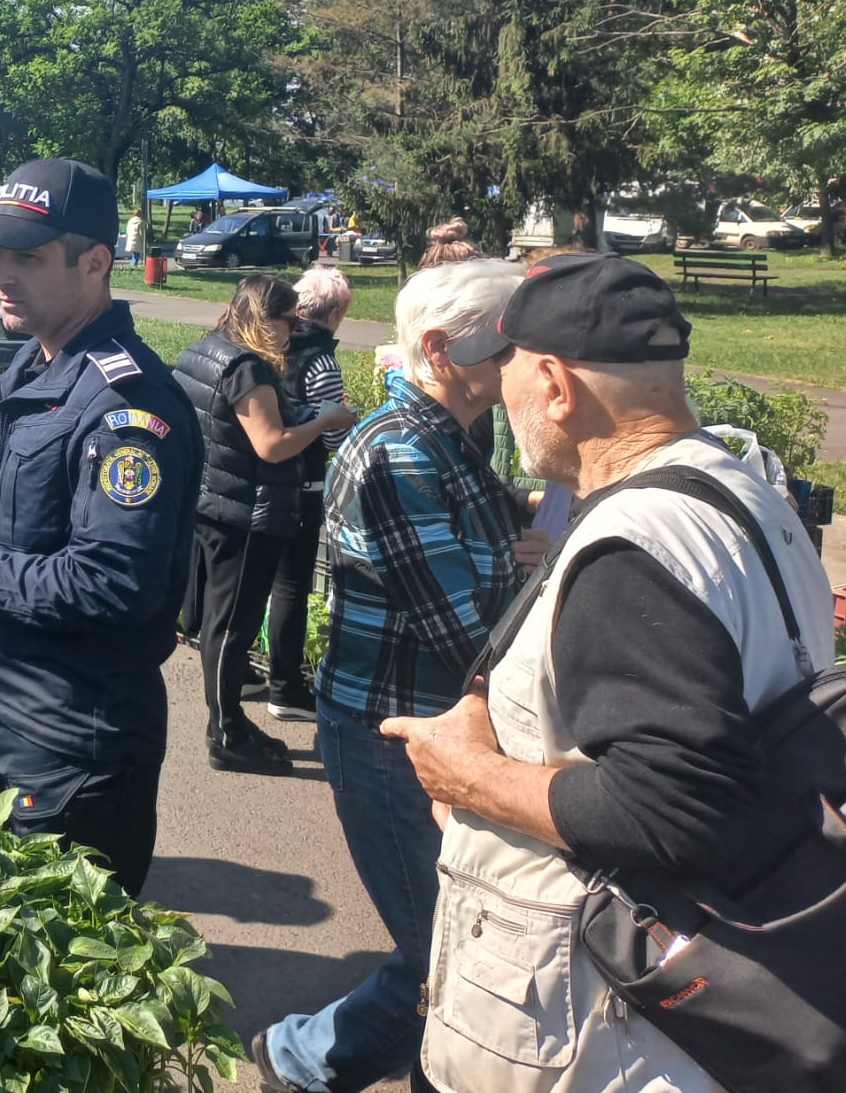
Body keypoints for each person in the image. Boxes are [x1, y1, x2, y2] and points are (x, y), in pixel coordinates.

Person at [378, 253, 834, 1093]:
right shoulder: (743, 487)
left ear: (554, 384)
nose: (500, 398)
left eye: (507, 371)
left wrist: (476, 780)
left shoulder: (631, 548)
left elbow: (680, 803)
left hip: (592, 1033)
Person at [253, 258, 538, 1093]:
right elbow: (468, 635)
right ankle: (304, 1057)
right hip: (393, 738)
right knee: (442, 953)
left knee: (450, 946)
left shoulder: (444, 439)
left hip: (432, 733)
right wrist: (543, 578)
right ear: (445, 350)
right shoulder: (398, 453)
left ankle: (304, 1053)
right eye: (510, 342)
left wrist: (532, 534)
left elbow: (482, 548)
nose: (527, 357)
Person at [0, 159, 195, 895]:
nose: (0, 274)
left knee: (64, 982)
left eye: (27, 256)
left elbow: (113, 582)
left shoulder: (126, 407)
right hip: (10, 717)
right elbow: (35, 529)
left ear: (94, 264)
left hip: (70, 744)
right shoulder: (34, 365)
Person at [175, 275, 357, 772]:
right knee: (233, 627)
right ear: (263, 318)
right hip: (247, 513)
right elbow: (272, 444)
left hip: (214, 502)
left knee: (220, 623)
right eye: (289, 320)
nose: (295, 329)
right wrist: (325, 420)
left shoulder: (205, 350)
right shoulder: (248, 369)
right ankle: (226, 732)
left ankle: (229, 717)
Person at [265, 264, 354, 722]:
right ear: (336, 311)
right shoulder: (322, 360)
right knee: (292, 587)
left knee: (256, 583)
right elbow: (333, 438)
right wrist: (346, 420)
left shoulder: (272, 346)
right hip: (303, 481)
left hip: (261, 477)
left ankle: (238, 671)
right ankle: (285, 686)